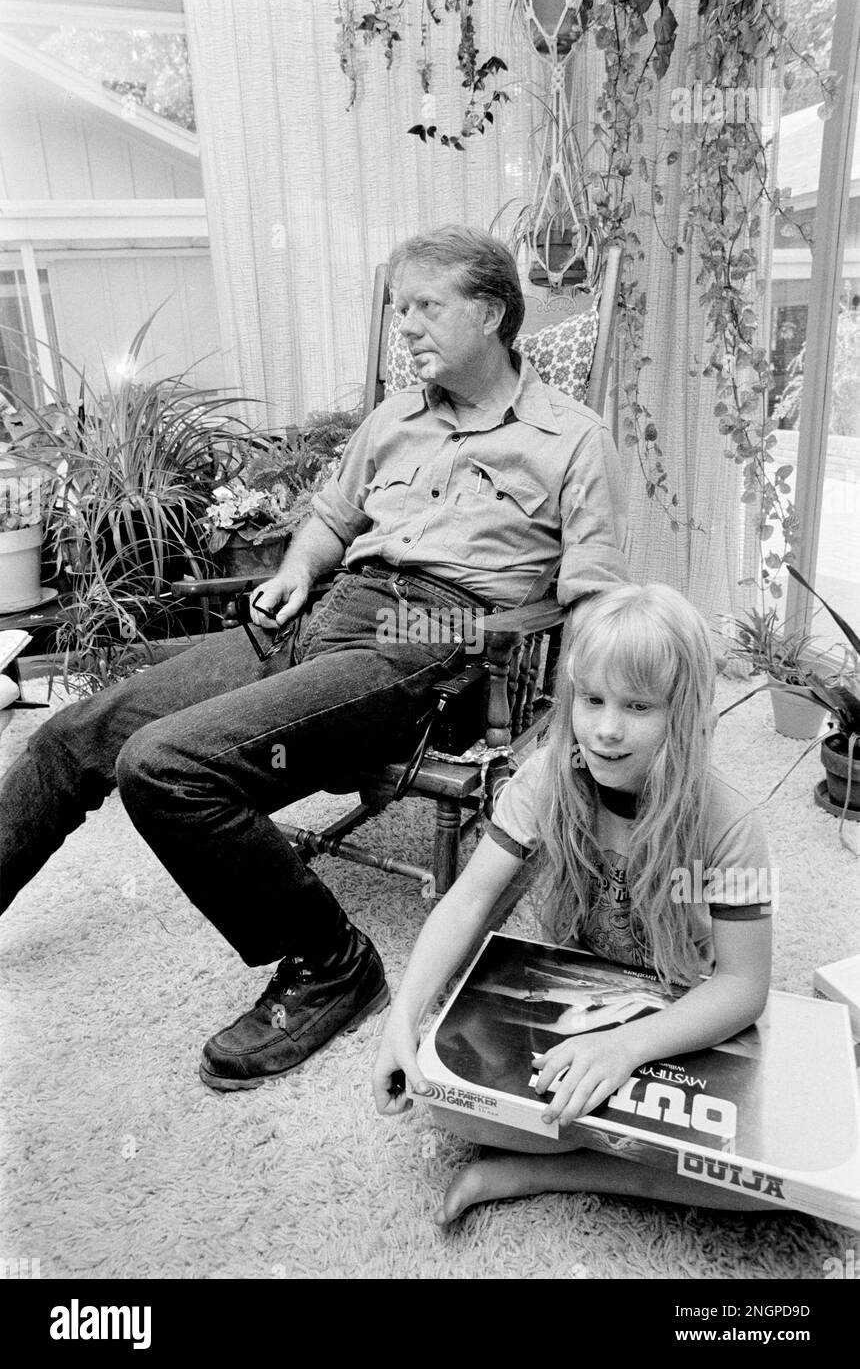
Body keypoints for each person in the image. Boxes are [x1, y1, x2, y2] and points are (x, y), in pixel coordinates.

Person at [0, 225, 628, 1092]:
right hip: (320, 614)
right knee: (75, 734)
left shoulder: (573, 440)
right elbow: (334, 518)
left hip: (430, 640)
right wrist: (296, 572)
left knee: (166, 766)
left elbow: (593, 597)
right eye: (396, 307)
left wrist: (585, 723)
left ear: (489, 314)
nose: (402, 326)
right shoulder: (393, 419)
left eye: (423, 307)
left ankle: (332, 963)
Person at [372, 583, 775, 1224]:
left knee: (756, 1179)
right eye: (592, 700)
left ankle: (540, 1170)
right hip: (577, 994)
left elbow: (745, 986)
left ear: (690, 713)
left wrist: (627, 1049)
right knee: (444, 1099)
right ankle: (591, 1151)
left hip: (676, 1014)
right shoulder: (545, 779)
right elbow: (467, 902)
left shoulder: (732, 824)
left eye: (639, 706)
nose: (607, 730)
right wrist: (402, 1019)